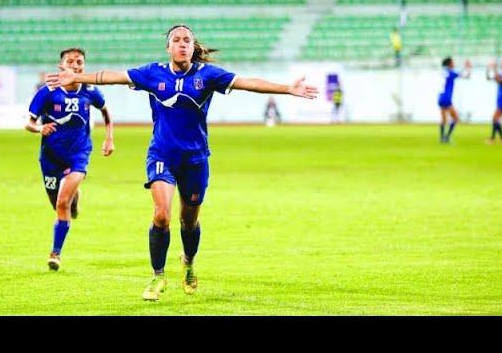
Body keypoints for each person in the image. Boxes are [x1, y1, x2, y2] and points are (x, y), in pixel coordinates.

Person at [46, 25, 318, 301]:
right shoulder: (154, 73)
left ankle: (188, 262)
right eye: (176, 40)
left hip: (196, 159)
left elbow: (248, 83)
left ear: (192, 46)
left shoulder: (206, 75)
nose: (182, 44)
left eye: (187, 40)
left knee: (189, 221)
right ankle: (158, 276)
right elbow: (112, 77)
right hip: (162, 155)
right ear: (168, 48)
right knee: (161, 215)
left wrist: (287, 89)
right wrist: (77, 75)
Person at [26, 47, 115, 271]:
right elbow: (29, 122)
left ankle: (55, 253)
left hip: (79, 154)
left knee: (61, 203)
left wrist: (109, 138)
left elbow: (105, 111)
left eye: (80, 62)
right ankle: (74, 198)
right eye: (71, 61)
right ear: (61, 65)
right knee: (56, 202)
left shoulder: (90, 90)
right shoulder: (48, 92)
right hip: (50, 157)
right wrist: (39, 129)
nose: (75, 66)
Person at [437, 57, 471, 143]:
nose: (454, 64)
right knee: (455, 118)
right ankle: (447, 137)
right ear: (449, 64)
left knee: (444, 119)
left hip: (440, 97)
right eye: (453, 62)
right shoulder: (450, 72)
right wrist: (467, 67)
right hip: (446, 98)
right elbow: (465, 76)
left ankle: (442, 138)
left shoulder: (444, 72)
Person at [485, 59, 502, 144]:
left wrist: (494, 68)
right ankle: (499, 138)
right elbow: (488, 78)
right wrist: (488, 69)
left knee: (495, 118)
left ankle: (497, 138)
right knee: (495, 119)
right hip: (501, 99)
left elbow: (500, 80)